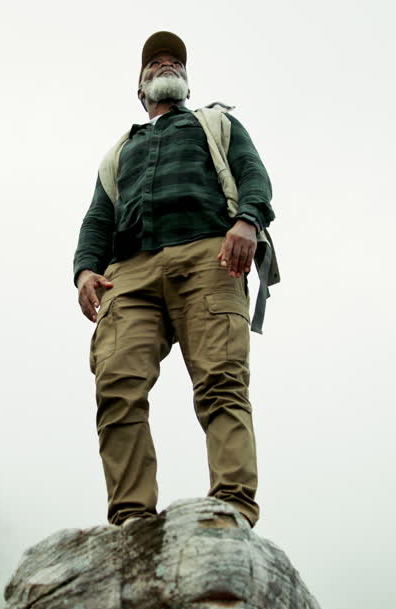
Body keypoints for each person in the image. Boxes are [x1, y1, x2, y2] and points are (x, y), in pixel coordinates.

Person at [72, 31, 275, 528]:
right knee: (117, 385)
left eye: (175, 63)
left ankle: (230, 512)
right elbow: (98, 219)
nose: (167, 66)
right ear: (140, 91)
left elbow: (254, 175)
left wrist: (247, 221)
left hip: (211, 254)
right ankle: (131, 520)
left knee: (221, 382)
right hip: (129, 274)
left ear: (185, 82)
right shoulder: (120, 152)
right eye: (155, 64)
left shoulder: (216, 124)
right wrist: (83, 270)